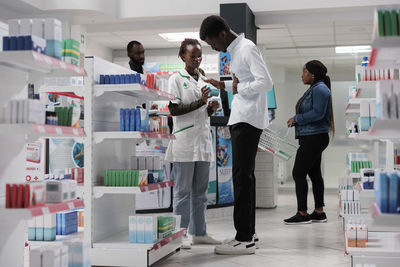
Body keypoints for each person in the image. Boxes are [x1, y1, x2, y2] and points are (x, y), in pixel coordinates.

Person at [199, 15, 273, 255]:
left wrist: (239, 88)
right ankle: (247, 234)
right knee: (245, 177)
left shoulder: (247, 48)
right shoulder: (235, 50)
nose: (212, 48)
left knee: (241, 178)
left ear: (222, 33)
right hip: (242, 116)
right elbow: (245, 83)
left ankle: (244, 238)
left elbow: (265, 82)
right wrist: (225, 86)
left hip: (247, 119)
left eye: (211, 42)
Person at [165, 38, 220, 249]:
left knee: (200, 192)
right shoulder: (175, 79)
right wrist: (201, 103)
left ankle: (199, 233)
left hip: (203, 141)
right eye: (192, 56)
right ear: (182, 56)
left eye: (199, 56)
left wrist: (210, 109)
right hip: (185, 142)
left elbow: (200, 113)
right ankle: (179, 234)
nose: (197, 59)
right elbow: (174, 110)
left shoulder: (203, 77)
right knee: (182, 192)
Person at [285, 60, 334, 225]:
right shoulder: (316, 88)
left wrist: (296, 119)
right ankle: (319, 212)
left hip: (314, 138)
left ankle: (303, 213)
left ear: (312, 74)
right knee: (314, 174)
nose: (302, 75)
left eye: (304, 71)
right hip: (313, 137)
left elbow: (318, 113)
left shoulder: (320, 89)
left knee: (298, 173)